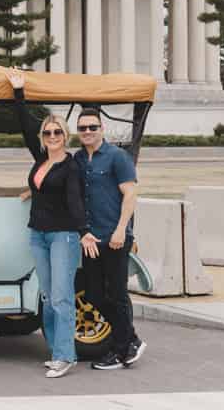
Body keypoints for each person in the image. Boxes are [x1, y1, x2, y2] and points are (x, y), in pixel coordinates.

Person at [7, 69, 86, 378]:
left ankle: (66, 355)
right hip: (38, 234)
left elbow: (75, 201)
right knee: (47, 296)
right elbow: (26, 127)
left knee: (62, 297)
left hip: (63, 236)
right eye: (48, 133)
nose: (52, 137)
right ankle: (56, 350)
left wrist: (84, 233)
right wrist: (19, 94)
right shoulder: (41, 160)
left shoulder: (70, 165)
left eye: (58, 133)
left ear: (66, 137)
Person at [74, 107, 146, 370]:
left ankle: (120, 350)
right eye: (83, 128)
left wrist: (120, 230)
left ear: (101, 129)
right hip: (91, 241)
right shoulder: (79, 160)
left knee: (116, 294)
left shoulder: (117, 157)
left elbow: (130, 194)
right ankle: (131, 339)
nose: (88, 132)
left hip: (115, 238)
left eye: (92, 127)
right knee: (93, 294)